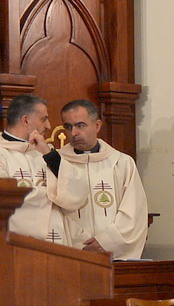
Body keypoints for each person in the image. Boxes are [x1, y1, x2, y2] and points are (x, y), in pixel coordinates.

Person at [47, 100, 149, 259]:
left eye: (80, 125)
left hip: (113, 255)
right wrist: (80, 242)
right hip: (71, 252)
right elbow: (53, 210)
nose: (74, 132)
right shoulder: (56, 163)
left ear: (97, 125)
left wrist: (107, 242)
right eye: (68, 127)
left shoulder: (121, 162)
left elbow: (134, 211)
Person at [0, 94, 67, 243]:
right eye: (44, 119)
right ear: (26, 120)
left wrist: (49, 154)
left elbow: (75, 191)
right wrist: (54, 195)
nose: (49, 126)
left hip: (55, 241)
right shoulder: (1, 153)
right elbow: (6, 198)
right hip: (13, 244)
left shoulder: (46, 151)